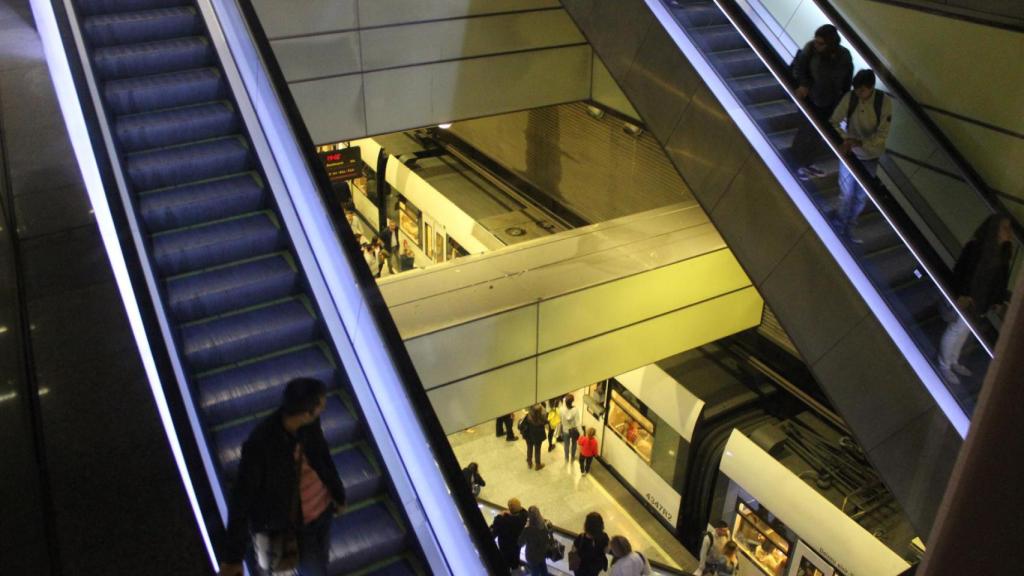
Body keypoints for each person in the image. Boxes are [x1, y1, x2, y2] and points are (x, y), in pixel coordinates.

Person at [220, 378, 346, 576]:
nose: (325, 405)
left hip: (323, 510)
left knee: (321, 559)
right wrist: (233, 558)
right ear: (308, 412)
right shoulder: (260, 446)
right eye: (321, 403)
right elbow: (241, 501)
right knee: (314, 570)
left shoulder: (310, 424)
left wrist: (338, 495)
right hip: (296, 526)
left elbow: (323, 458)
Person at [939, 215, 1013, 384]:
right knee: (956, 330)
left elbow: (1000, 281)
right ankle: (944, 364)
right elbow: (961, 272)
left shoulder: (1003, 253)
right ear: (994, 230)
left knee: (964, 331)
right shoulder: (976, 247)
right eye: (1004, 228)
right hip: (967, 298)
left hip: (981, 302)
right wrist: (961, 295)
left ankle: (953, 360)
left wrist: (997, 301)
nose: (1009, 232)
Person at [828, 69, 893, 242]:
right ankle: (839, 225)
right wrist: (846, 140)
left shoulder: (883, 102)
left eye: (862, 91)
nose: (859, 94)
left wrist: (861, 143)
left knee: (860, 197)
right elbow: (833, 121)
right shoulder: (851, 97)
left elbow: (882, 135)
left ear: (871, 87)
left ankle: (848, 228)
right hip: (850, 154)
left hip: (871, 156)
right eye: (857, 90)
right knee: (847, 192)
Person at [791, 24, 853, 180]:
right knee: (806, 131)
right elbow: (800, 68)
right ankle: (795, 164)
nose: (816, 45)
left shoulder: (844, 55)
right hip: (810, 98)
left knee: (820, 134)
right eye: (816, 41)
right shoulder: (810, 49)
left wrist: (844, 103)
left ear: (830, 43)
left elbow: (846, 81)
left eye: (821, 43)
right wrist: (804, 85)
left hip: (831, 103)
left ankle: (808, 163)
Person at [491, 498, 529, 574]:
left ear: (509, 508)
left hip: (505, 547)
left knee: (504, 563)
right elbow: (524, 511)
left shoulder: (501, 521)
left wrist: (499, 515)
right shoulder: (523, 517)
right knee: (515, 561)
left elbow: (494, 532)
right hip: (516, 545)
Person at [570, 512, 609, 576]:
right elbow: (606, 550)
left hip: (581, 570)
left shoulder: (580, 538)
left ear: (586, 525)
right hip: (595, 569)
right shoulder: (604, 537)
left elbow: (573, 551)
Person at [518, 506, 552, 576]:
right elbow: (550, 535)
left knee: (535, 572)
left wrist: (525, 527)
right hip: (543, 552)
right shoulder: (546, 524)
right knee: (544, 569)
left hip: (532, 556)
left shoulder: (528, 529)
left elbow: (520, 542)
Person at [523, 404, 549, 471]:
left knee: (529, 447)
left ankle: (529, 462)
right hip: (538, 436)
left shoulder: (528, 416)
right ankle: (537, 465)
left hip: (529, 434)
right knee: (537, 450)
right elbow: (546, 420)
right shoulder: (541, 420)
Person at [559, 394, 582, 463]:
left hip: (565, 430)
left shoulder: (561, 409)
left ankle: (566, 457)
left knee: (566, 444)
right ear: (572, 401)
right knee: (574, 443)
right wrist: (581, 432)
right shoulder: (575, 410)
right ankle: (572, 456)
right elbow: (578, 423)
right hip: (573, 430)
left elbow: (561, 420)